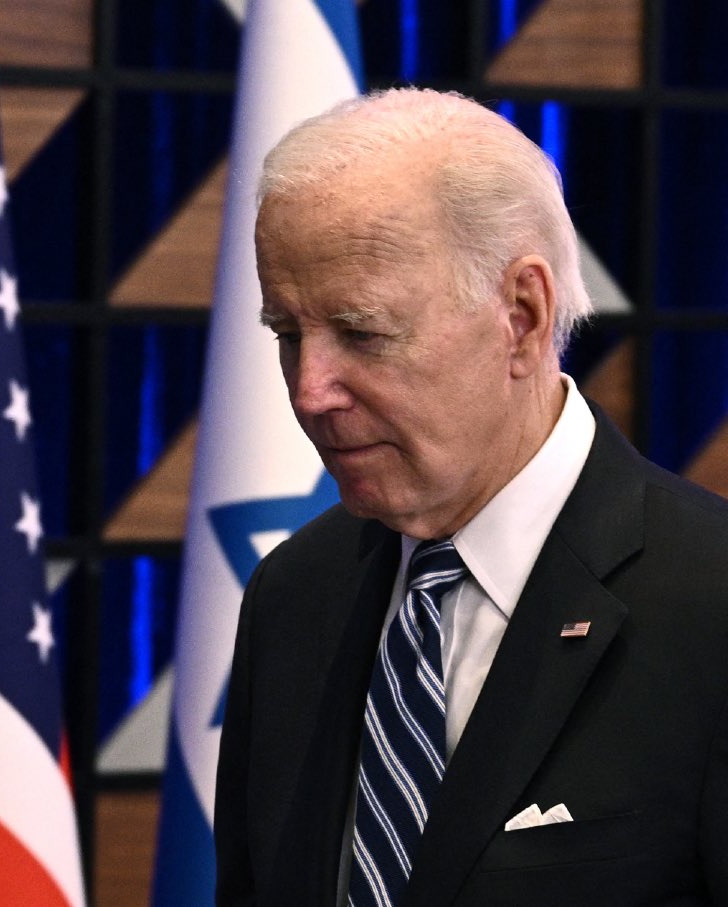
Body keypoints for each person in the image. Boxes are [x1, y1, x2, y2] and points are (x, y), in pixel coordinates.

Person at [213, 87, 728, 906]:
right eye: (287, 334)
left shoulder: (710, 605)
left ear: (521, 315)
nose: (310, 391)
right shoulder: (293, 594)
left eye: (361, 332)